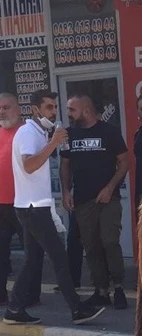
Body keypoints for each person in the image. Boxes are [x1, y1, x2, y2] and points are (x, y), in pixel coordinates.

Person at [3, 90, 105, 325]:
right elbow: (29, 165)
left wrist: (52, 141)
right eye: (49, 107)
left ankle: (15, 308)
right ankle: (77, 309)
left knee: (32, 259)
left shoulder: (38, 132)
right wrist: (54, 143)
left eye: (55, 107)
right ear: (35, 110)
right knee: (60, 257)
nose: (54, 112)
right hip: (32, 208)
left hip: (32, 206)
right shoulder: (29, 133)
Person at [60, 93, 129, 310]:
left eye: (72, 109)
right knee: (91, 247)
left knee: (110, 242)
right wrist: (65, 192)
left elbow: (125, 162)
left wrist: (110, 188)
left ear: (86, 110)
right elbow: (65, 165)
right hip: (82, 201)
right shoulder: (68, 134)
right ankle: (101, 291)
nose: (68, 113)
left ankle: (118, 288)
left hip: (108, 199)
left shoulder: (109, 131)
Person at [0, 93, 40, 307]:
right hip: (1, 204)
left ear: (18, 108)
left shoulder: (26, 133)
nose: (2, 111)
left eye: (6, 107)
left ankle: (31, 295)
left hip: (24, 203)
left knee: (31, 252)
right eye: (0, 108)